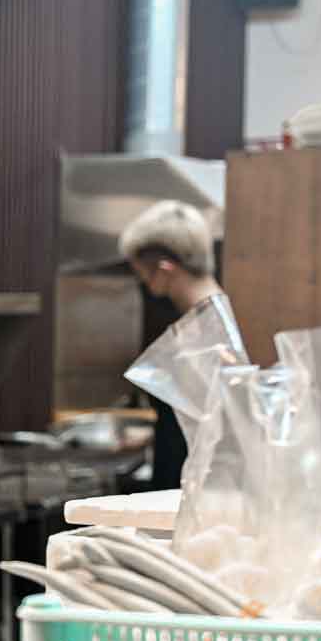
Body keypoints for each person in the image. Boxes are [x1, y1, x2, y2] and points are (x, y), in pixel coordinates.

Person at [117, 200, 239, 490]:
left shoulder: (212, 333)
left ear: (165, 269)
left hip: (192, 497)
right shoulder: (206, 321)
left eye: (144, 276)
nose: (146, 286)